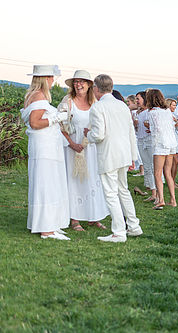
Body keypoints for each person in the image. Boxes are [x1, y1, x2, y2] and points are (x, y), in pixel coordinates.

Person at [84, 74, 143, 242]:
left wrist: (89, 135)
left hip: (108, 155)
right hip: (124, 154)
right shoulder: (123, 106)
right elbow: (131, 132)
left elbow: (99, 135)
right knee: (123, 190)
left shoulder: (97, 108)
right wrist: (133, 156)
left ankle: (118, 232)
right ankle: (133, 226)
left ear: (96, 88)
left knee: (111, 193)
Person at [20, 65, 70, 240]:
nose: (52, 81)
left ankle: (49, 224)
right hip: (44, 148)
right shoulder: (39, 96)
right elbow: (35, 123)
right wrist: (57, 117)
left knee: (48, 183)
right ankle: (46, 229)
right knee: (46, 184)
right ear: (44, 79)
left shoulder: (34, 96)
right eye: (51, 78)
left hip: (45, 147)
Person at [59, 70, 109, 232]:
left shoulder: (95, 102)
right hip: (73, 149)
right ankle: (75, 218)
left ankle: (94, 217)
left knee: (93, 180)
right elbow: (59, 125)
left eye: (82, 81)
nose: (78, 84)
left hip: (91, 148)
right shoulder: (68, 101)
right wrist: (72, 143)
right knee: (75, 180)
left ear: (89, 85)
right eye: (76, 82)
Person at [147, 90, 178, 209]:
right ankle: (173, 200)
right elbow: (170, 126)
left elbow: (156, 129)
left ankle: (161, 199)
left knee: (157, 173)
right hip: (171, 143)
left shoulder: (152, 112)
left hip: (160, 144)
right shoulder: (167, 111)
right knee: (168, 173)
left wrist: (151, 132)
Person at [135, 91, 157, 202]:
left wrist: (151, 127)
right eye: (136, 99)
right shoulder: (137, 113)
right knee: (147, 166)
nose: (136, 101)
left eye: (138, 98)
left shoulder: (150, 112)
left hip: (149, 140)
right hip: (140, 140)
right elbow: (137, 129)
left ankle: (157, 191)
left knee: (153, 166)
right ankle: (152, 190)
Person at [126, 95, 145, 179]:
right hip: (136, 134)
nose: (127, 104)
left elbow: (136, 124)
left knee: (138, 154)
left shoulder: (134, 112)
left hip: (136, 134)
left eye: (128, 102)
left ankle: (141, 171)